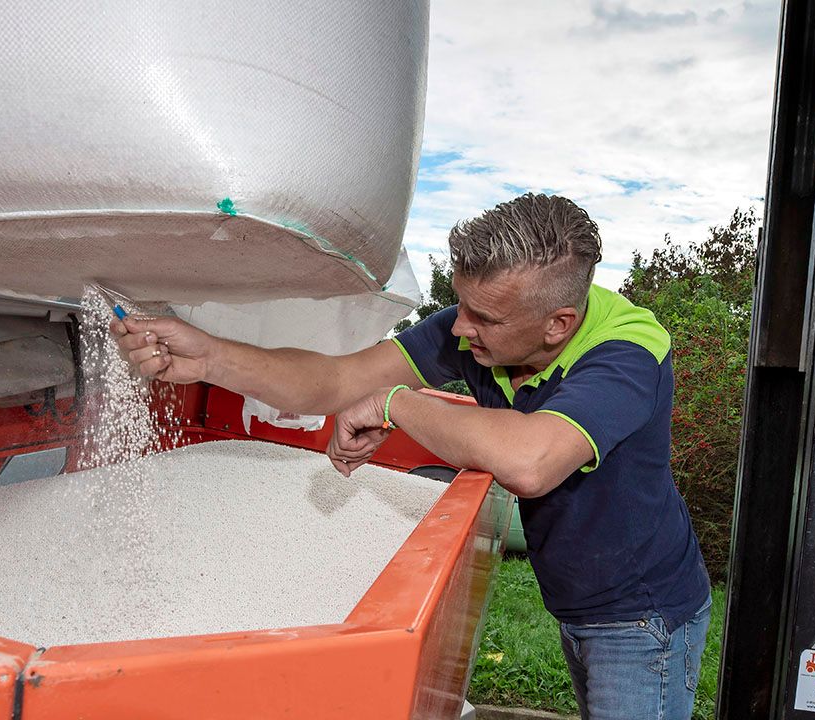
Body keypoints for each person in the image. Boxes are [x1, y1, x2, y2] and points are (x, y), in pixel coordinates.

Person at [111, 193, 711, 720]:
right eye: (462, 305)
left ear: (559, 324)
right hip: (579, 597)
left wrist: (397, 403)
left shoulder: (627, 352)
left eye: (484, 318)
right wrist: (210, 357)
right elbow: (335, 379)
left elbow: (532, 461)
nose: (459, 329)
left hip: (643, 616)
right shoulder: (483, 328)